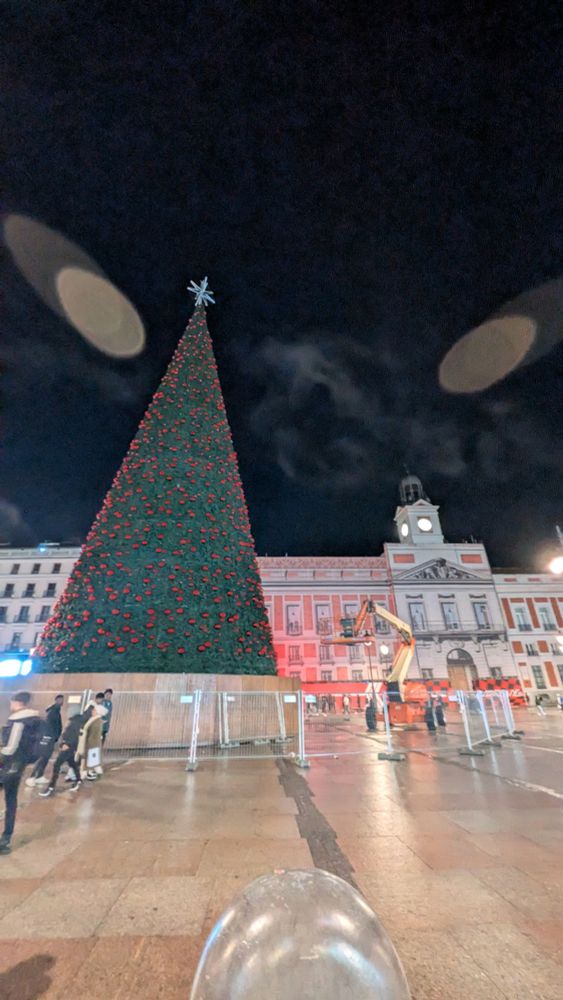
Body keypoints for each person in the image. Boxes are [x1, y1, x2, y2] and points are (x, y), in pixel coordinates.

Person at [0, 691, 41, 854]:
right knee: (11, 801)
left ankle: (5, 839)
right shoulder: (33, 720)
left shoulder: (18, 720)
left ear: (17, 702)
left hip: (8, 765)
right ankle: (6, 838)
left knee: (10, 800)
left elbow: (11, 747)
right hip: (19, 766)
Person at [39, 706, 89, 797]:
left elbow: (72, 736)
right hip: (69, 747)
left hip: (68, 747)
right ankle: (78, 780)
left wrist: (66, 744)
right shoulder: (76, 721)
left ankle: (51, 787)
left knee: (57, 764)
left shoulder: (74, 723)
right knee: (72, 764)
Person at [26, 695, 64, 787]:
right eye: (60, 700)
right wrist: (49, 737)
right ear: (56, 700)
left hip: (51, 737)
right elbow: (49, 726)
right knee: (43, 757)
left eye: (62, 700)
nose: (61, 701)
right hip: (48, 738)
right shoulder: (53, 711)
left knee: (46, 757)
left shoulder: (56, 711)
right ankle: (32, 777)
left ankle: (39, 776)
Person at [78, 702, 105, 780]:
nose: (92, 712)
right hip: (92, 743)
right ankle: (90, 773)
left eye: (94, 710)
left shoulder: (96, 721)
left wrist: (88, 743)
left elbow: (93, 734)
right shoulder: (94, 720)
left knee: (89, 760)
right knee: (91, 761)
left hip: (91, 744)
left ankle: (85, 774)